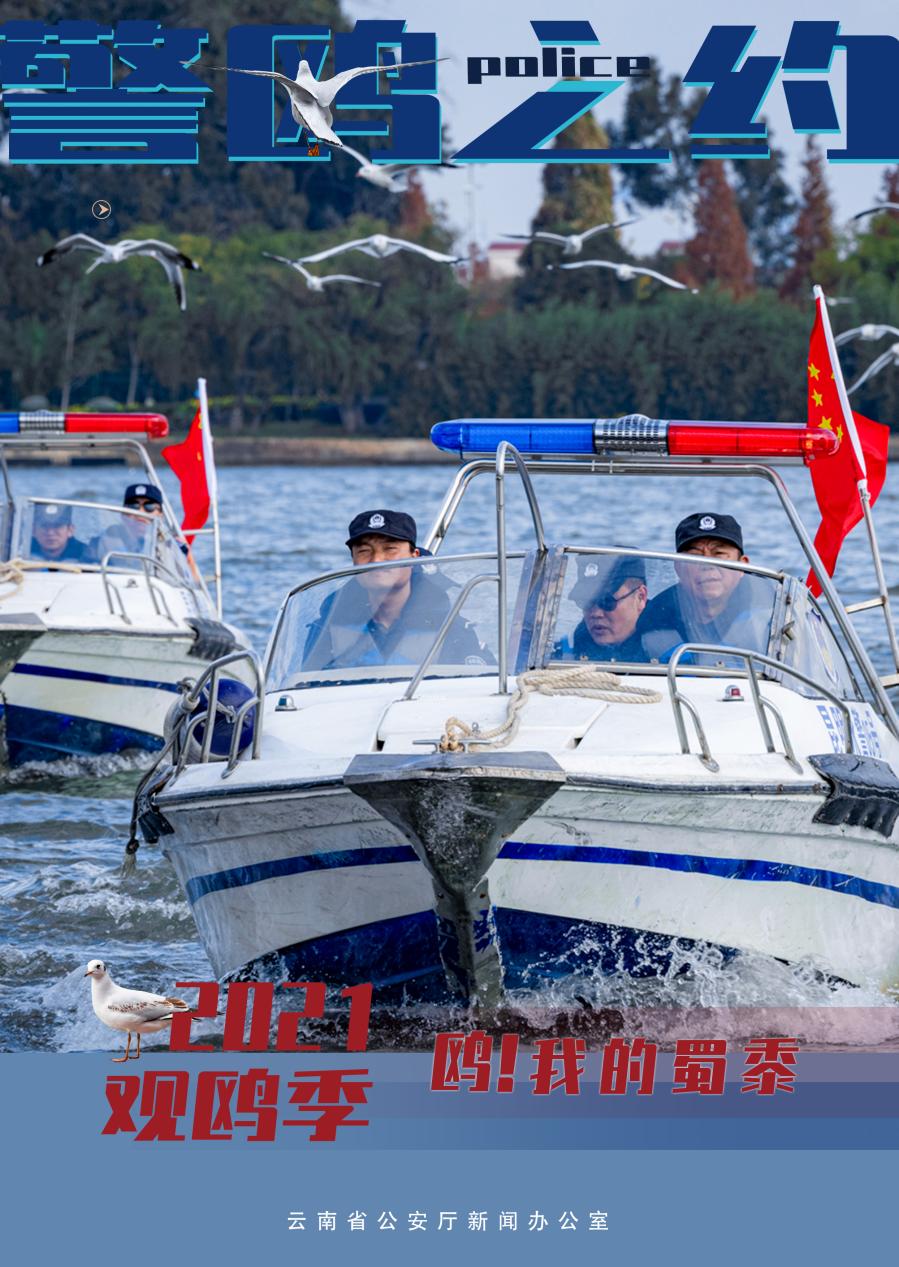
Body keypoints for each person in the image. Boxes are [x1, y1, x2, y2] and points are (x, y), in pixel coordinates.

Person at [303, 508, 491, 671]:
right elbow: (305, 687)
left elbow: (477, 685)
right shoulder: (329, 624)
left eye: (390, 549)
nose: (376, 560)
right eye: (364, 551)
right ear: (353, 560)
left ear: (414, 556)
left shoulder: (448, 624)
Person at [640, 513, 771, 660]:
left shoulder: (768, 618)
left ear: (742, 566)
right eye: (695, 556)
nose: (707, 565)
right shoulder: (654, 621)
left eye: (719, 554)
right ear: (678, 567)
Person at [555, 555, 648, 662]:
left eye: (607, 601)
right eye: (587, 601)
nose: (596, 613)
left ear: (640, 597)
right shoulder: (562, 655)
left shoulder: (664, 655)